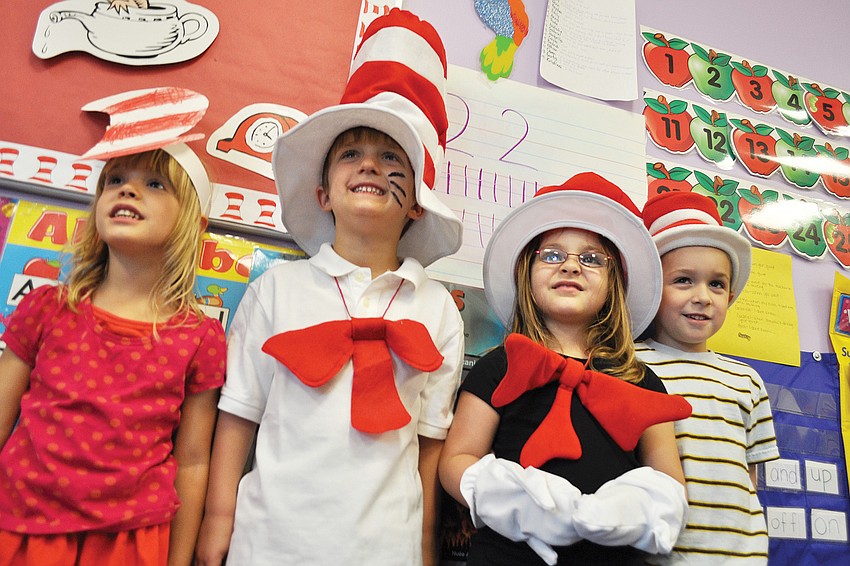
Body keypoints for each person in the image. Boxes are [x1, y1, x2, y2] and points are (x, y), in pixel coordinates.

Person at [195, 9, 464, 566]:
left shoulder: (437, 308)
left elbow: (431, 442)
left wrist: (424, 542)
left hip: (385, 547)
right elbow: (240, 410)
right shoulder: (278, 289)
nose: (370, 164)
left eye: (393, 157)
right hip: (269, 540)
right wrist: (218, 518)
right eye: (350, 154)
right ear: (323, 194)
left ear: (416, 201)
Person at [439, 172, 693, 566]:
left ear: (615, 283)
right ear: (527, 272)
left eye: (592, 258)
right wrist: (508, 497)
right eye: (553, 254)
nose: (571, 267)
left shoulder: (640, 381)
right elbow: (456, 459)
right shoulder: (498, 365)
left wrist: (630, 512)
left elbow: (670, 482)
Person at [0, 144, 226, 566]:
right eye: (115, 181)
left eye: (154, 184)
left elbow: (193, 461)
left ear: (193, 226)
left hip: (131, 542)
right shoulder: (48, 308)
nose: (128, 192)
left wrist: (178, 560)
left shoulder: (199, 337)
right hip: (20, 526)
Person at [636, 190, 780, 565]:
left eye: (716, 284)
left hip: (740, 557)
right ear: (653, 288)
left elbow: (749, 479)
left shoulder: (746, 380)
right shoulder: (629, 365)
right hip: (659, 553)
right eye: (684, 280)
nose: (703, 296)